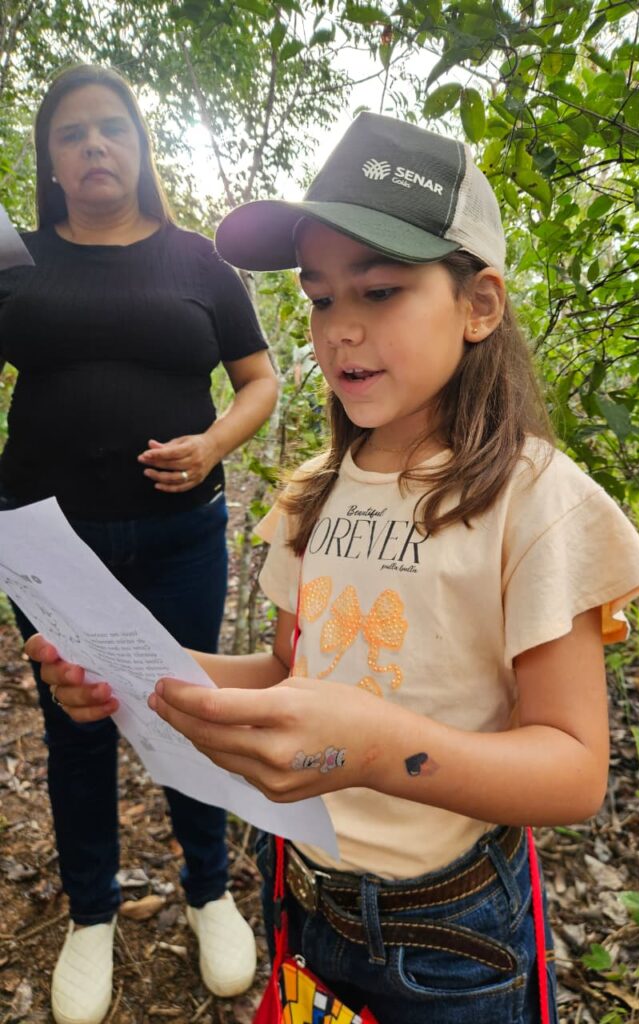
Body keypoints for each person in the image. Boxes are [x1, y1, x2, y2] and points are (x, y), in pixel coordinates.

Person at [27, 112, 639, 1024]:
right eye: (322, 299)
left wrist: (372, 750)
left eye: (380, 291)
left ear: (479, 305)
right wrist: (128, 669)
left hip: (450, 932)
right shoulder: (312, 493)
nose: (341, 331)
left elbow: (572, 771)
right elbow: (290, 672)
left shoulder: (535, 500)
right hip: (299, 887)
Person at [0, 65, 278, 1024]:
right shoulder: (16, 261)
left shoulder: (198, 261)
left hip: (179, 537)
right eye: (71, 134)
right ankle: (91, 915)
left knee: (191, 704)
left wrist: (212, 445)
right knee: (76, 719)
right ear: (51, 160)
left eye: (111, 128)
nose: (93, 146)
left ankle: (209, 891)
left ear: (140, 145)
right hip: (48, 545)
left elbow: (259, 380)